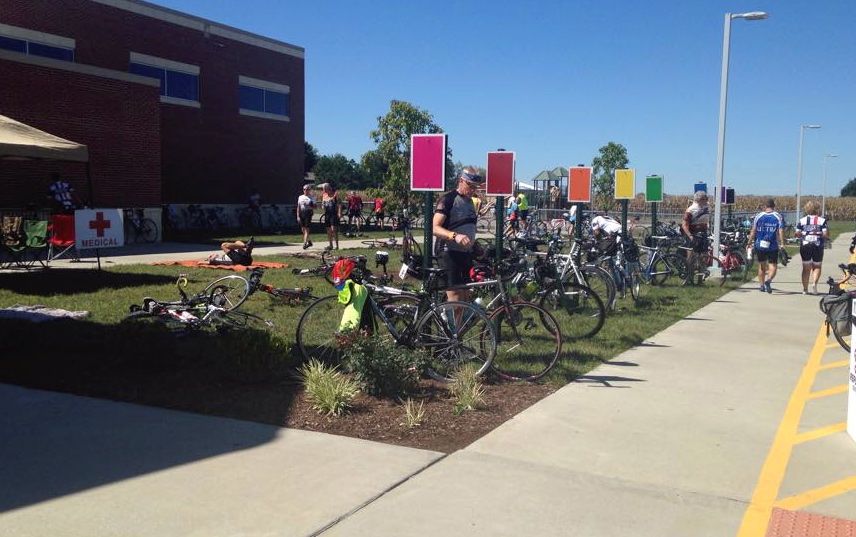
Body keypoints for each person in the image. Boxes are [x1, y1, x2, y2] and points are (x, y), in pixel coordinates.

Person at [433, 167, 483, 303]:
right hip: (448, 251)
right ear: (461, 181)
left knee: (466, 297)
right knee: (456, 297)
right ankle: (452, 325)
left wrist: (474, 245)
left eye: (475, 187)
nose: (473, 190)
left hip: (465, 253)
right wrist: (455, 236)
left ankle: (458, 324)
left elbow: (468, 227)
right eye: (470, 186)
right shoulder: (448, 199)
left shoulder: (471, 203)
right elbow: (435, 228)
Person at [748, 198, 784, 294]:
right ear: (774, 206)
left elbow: (753, 230)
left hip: (760, 244)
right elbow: (780, 230)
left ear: (765, 206)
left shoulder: (759, 216)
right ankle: (769, 280)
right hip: (772, 245)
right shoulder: (777, 216)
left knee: (761, 265)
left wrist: (749, 242)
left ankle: (761, 285)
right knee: (773, 265)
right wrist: (782, 243)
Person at [796, 200, 829, 294]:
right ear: (817, 209)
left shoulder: (802, 220)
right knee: (817, 266)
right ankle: (814, 283)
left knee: (806, 268)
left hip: (805, 245)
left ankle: (805, 289)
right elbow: (825, 234)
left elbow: (797, 233)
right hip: (817, 245)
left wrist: (802, 234)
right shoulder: (822, 220)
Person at [680, 191, 710, 281]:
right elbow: (684, 225)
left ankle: (700, 279)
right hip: (693, 235)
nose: (706, 200)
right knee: (691, 258)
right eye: (704, 199)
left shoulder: (706, 208)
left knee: (703, 257)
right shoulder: (691, 209)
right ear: (699, 199)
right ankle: (689, 278)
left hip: (703, 234)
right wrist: (690, 236)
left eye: (706, 199)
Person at [320, 182, 340, 250]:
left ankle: (336, 245)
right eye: (323, 189)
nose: (324, 191)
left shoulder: (335, 194)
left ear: (329, 188)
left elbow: (339, 204)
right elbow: (323, 204)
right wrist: (323, 205)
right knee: (328, 230)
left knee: (333, 229)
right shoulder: (324, 195)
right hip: (327, 214)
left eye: (325, 189)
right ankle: (330, 245)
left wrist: (339, 213)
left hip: (333, 214)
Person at [296, 184, 315, 249]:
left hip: (308, 213)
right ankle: (309, 241)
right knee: (303, 229)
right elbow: (298, 207)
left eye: (307, 189)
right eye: (304, 189)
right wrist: (298, 216)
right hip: (302, 213)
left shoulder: (312, 197)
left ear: (309, 190)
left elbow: (315, 207)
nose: (305, 190)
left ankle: (304, 243)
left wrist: (310, 205)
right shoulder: (300, 197)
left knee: (307, 229)